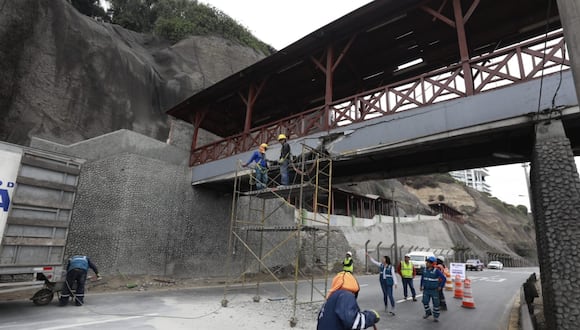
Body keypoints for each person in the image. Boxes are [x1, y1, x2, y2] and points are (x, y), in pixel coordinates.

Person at [420, 256, 446, 322]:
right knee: (425, 301)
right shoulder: (425, 270)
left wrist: (441, 286)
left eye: (428, 262)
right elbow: (422, 278)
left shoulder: (436, 271)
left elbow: (443, 278)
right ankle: (428, 312)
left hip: (434, 290)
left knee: (436, 304)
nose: (427, 263)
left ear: (433, 264)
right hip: (426, 290)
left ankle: (436, 317)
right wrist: (421, 285)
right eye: (427, 262)